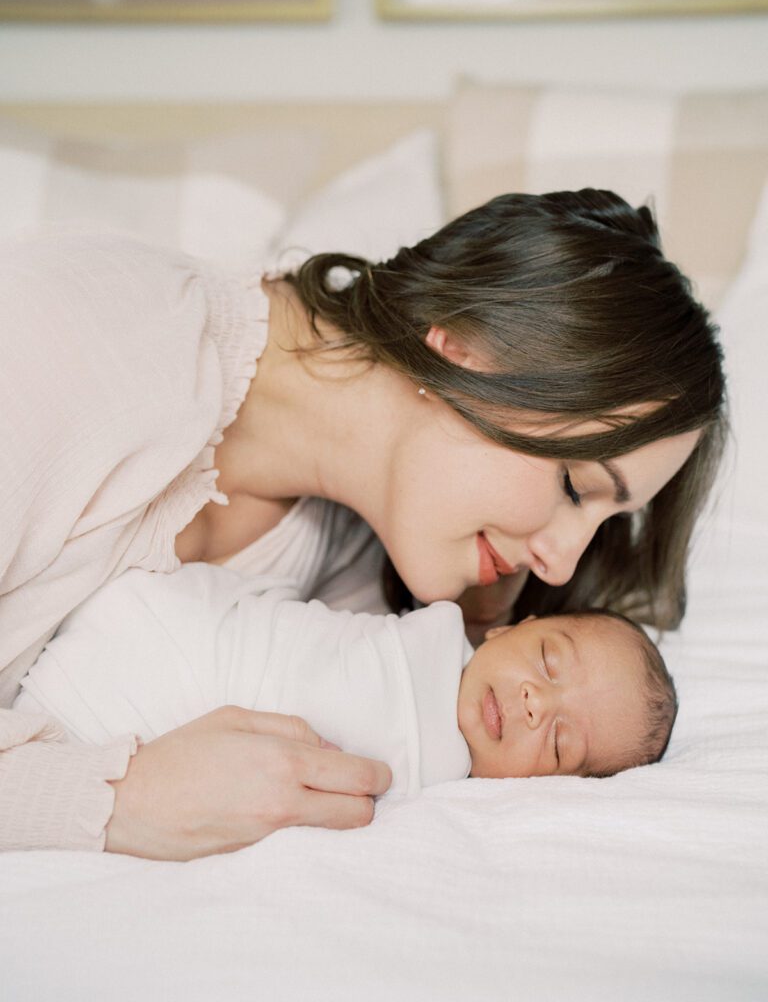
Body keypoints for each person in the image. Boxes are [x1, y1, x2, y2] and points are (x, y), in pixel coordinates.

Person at [0, 188, 725, 859]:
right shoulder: (83, 342)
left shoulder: (353, 559)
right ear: (463, 352)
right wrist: (120, 801)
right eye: (574, 485)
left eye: (605, 521)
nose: (562, 564)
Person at [13, 563, 677, 795]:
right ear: (505, 630)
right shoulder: (426, 631)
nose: (535, 703)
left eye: (560, 743)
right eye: (548, 661)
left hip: (135, 722)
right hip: (157, 625)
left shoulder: (444, 801)